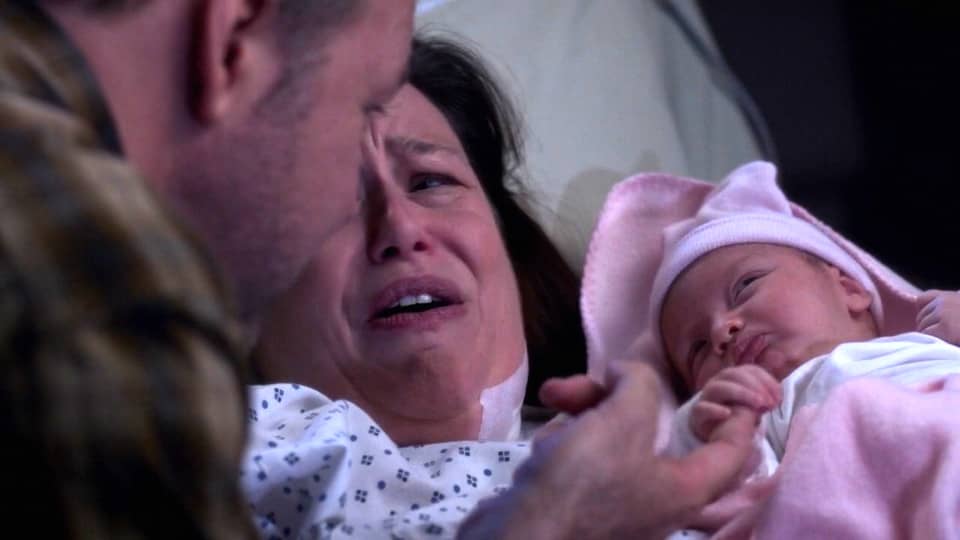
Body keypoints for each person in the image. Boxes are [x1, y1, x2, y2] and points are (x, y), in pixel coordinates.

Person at [3, 2, 756, 538]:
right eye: (351, 123)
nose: (400, 229)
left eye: (430, 181)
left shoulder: (699, 434)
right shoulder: (111, 322)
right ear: (230, 42)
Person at [580, 159, 960, 536]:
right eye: (698, 350)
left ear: (849, 289)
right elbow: (729, 503)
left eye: (745, 286)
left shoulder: (924, 347)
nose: (720, 330)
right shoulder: (760, 424)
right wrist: (703, 437)